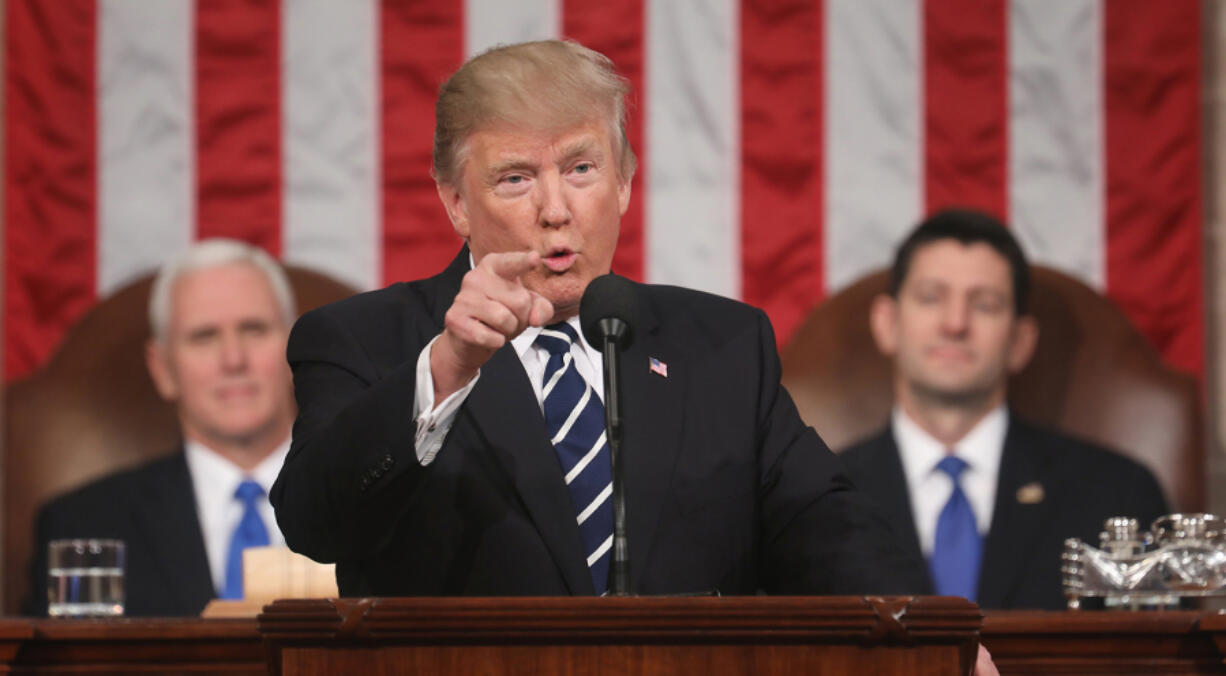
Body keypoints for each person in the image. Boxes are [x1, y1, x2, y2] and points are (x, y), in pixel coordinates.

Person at [270, 40, 926, 598]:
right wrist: (446, 368)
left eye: (581, 168)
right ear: (456, 203)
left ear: (624, 183)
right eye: (515, 179)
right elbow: (313, 523)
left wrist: (932, 638)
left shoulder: (722, 346)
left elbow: (826, 525)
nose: (556, 209)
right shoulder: (365, 342)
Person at [839, 209, 1169, 610]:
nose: (955, 323)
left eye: (985, 305)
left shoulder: (1117, 495)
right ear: (888, 323)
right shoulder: (818, 503)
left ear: (1020, 341)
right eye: (931, 298)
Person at [25, 239, 298, 616]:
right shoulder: (83, 525)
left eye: (253, 329)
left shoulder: (381, 509)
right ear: (163, 368)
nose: (233, 359)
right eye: (204, 336)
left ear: (297, 349)